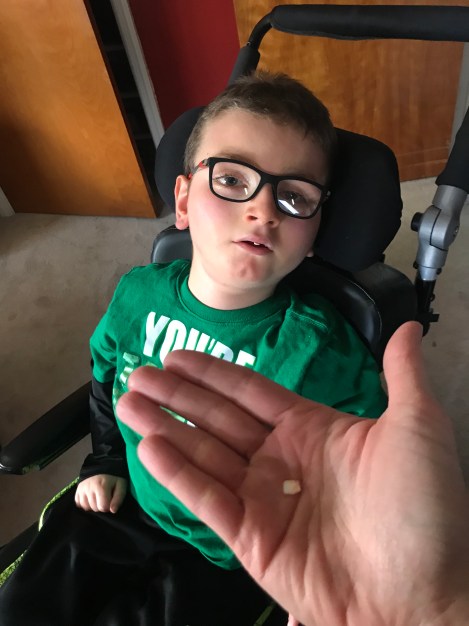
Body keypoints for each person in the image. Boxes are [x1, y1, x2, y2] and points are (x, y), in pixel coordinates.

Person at [0, 72, 386, 626]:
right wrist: (106, 458)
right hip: (126, 500)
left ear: (316, 229)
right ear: (182, 199)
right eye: (231, 179)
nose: (264, 210)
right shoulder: (137, 294)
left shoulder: (321, 351)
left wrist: (334, 553)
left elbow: (361, 468)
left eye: (295, 196)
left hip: (234, 550)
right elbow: (106, 373)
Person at [116, 321, 469, 626]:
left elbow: (365, 425)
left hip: (225, 561)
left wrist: (427, 607)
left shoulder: (322, 340)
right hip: (140, 510)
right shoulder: (144, 290)